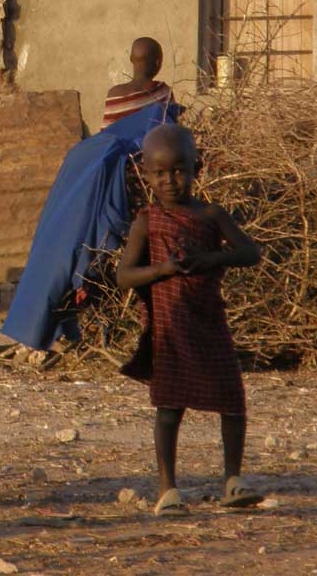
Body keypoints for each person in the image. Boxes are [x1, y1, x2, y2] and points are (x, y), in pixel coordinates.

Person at [115, 123, 264, 516]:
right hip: (170, 327)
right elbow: (124, 275)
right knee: (169, 407)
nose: (170, 181)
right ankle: (168, 490)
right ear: (146, 175)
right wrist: (162, 270)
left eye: (179, 170)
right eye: (160, 173)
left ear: (197, 167)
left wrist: (211, 259)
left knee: (232, 400)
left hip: (209, 320)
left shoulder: (212, 215)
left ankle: (233, 479)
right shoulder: (147, 221)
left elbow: (251, 253)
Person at [103, 37, 174, 128]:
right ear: (157, 62)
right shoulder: (163, 91)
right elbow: (172, 127)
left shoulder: (114, 95)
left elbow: (107, 136)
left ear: (131, 59)